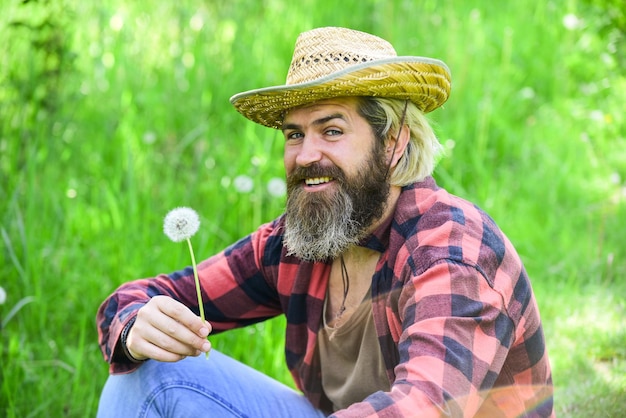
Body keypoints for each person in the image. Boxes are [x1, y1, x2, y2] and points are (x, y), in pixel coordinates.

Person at [96, 27, 554, 417]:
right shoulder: (301, 241)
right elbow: (143, 296)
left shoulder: (452, 252)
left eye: (331, 130)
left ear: (394, 142)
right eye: (295, 135)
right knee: (148, 373)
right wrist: (137, 324)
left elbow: (420, 409)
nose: (306, 154)